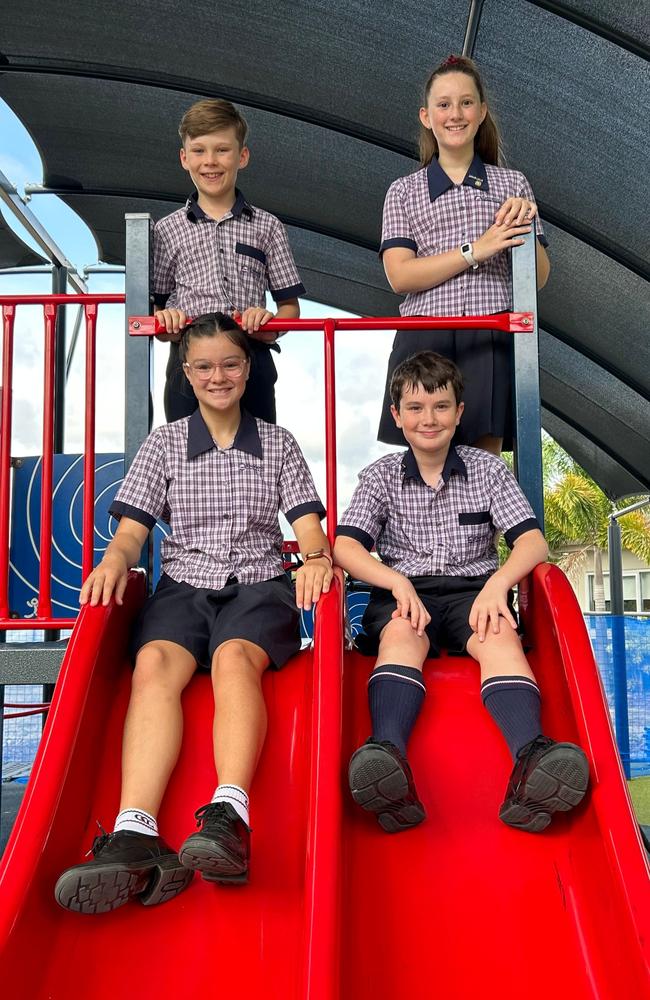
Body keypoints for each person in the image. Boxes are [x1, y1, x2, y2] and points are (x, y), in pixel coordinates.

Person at [55, 313, 332, 913]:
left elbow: (310, 529)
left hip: (259, 587)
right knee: (153, 662)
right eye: (203, 366)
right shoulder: (165, 444)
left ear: (248, 368)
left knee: (234, 659)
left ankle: (229, 815)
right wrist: (113, 561)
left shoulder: (277, 444)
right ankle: (136, 831)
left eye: (230, 364)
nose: (218, 376)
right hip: (184, 586)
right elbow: (133, 532)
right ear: (186, 373)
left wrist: (314, 557)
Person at [334, 351, 588, 834]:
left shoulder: (487, 471)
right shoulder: (380, 476)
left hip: (475, 589)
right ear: (397, 416)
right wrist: (395, 581)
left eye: (441, 406)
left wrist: (497, 584)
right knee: (400, 634)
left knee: (500, 638)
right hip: (406, 590)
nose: (428, 419)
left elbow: (532, 542)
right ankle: (386, 754)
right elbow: (346, 546)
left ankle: (532, 755)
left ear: (459, 412)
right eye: (415, 408)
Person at [378, 54, 551, 456]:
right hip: (424, 334)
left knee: (481, 463)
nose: (455, 114)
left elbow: (539, 277)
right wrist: (478, 249)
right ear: (426, 116)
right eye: (443, 104)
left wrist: (525, 229)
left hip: (489, 331)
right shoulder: (403, 190)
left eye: (466, 102)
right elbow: (399, 276)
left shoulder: (512, 183)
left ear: (482, 111)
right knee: (424, 461)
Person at [154, 98, 305, 424]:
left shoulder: (268, 226)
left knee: (259, 457)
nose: (210, 161)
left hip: (252, 359)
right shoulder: (166, 230)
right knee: (186, 458)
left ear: (242, 156)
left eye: (222, 150)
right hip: (189, 364)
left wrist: (270, 328)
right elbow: (157, 309)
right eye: (199, 151)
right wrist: (166, 322)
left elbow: (290, 308)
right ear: (184, 158)